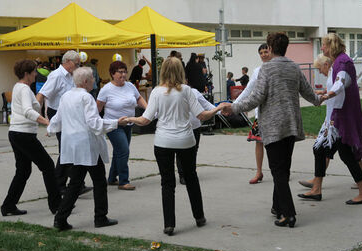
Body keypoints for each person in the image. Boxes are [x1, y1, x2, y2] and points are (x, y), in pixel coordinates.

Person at [222, 32, 323, 228]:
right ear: (286, 47)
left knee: (278, 171)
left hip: (274, 126)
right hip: (291, 125)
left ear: (270, 47)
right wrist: (320, 99)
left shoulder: (266, 69)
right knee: (283, 169)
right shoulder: (294, 67)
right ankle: (278, 207)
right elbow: (309, 93)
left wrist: (233, 107)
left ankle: (288, 214)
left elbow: (255, 98)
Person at [126, 57, 225, 236]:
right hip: (185, 140)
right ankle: (199, 216)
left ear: (162, 71)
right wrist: (218, 108)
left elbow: (145, 119)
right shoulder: (187, 91)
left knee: (167, 183)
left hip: (163, 141)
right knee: (191, 178)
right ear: (181, 71)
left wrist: (129, 119)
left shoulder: (156, 92)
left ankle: (169, 224)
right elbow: (202, 115)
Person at [297, 33, 362, 205]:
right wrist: (325, 93)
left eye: (323, 45)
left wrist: (326, 95)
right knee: (320, 150)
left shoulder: (343, 61)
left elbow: (341, 83)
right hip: (333, 117)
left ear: (331, 45)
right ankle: (316, 189)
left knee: (346, 154)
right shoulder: (338, 62)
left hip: (340, 118)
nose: (322, 48)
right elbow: (336, 85)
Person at [48, 67, 124, 231]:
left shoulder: (66, 96)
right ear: (85, 81)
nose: (94, 81)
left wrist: (50, 129)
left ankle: (60, 218)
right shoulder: (86, 97)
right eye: (92, 78)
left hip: (74, 146)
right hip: (87, 146)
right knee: (98, 182)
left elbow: (58, 118)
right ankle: (100, 217)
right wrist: (116, 123)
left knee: (75, 183)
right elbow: (94, 123)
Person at [1, 59, 61, 217]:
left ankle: (8, 206)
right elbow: (28, 111)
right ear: (27, 74)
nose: (36, 74)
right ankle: (57, 205)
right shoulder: (24, 89)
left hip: (17, 133)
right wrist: (46, 122)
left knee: (23, 170)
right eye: (34, 71)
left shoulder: (18, 87)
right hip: (23, 134)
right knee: (47, 166)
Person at [36, 50, 92, 196]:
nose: (79, 66)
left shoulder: (72, 75)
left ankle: (75, 183)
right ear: (67, 61)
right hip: (58, 113)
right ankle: (61, 184)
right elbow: (42, 94)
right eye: (77, 63)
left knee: (71, 148)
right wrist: (37, 114)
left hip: (70, 114)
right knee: (67, 148)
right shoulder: (56, 75)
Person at [97, 61, 147, 190]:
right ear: (113, 73)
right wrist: (95, 123)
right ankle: (123, 181)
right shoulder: (106, 89)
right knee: (124, 150)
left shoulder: (130, 86)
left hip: (129, 124)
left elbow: (138, 99)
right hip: (113, 125)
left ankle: (112, 178)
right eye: (120, 72)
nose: (123, 74)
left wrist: (148, 109)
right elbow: (97, 108)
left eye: (125, 71)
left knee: (119, 152)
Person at [234, 43, 271, 184]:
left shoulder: (278, 68)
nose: (263, 55)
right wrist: (234, 105)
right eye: (261, 52)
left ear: (271, 51)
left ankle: (281, 170)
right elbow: (248, 90)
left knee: (277, 144)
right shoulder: (257, 71)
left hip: (275, 114)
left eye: (266, 51)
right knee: (259, 143)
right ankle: (259, 171)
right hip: (260, 113)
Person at [176, 87, 219, 185]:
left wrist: (219, 110)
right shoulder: (173, 92)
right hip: (181, 127)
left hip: (195, 126)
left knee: (193, 150)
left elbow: (206, 105)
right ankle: (182, 174)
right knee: (180, 151)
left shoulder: (194, 92)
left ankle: (191, 172)